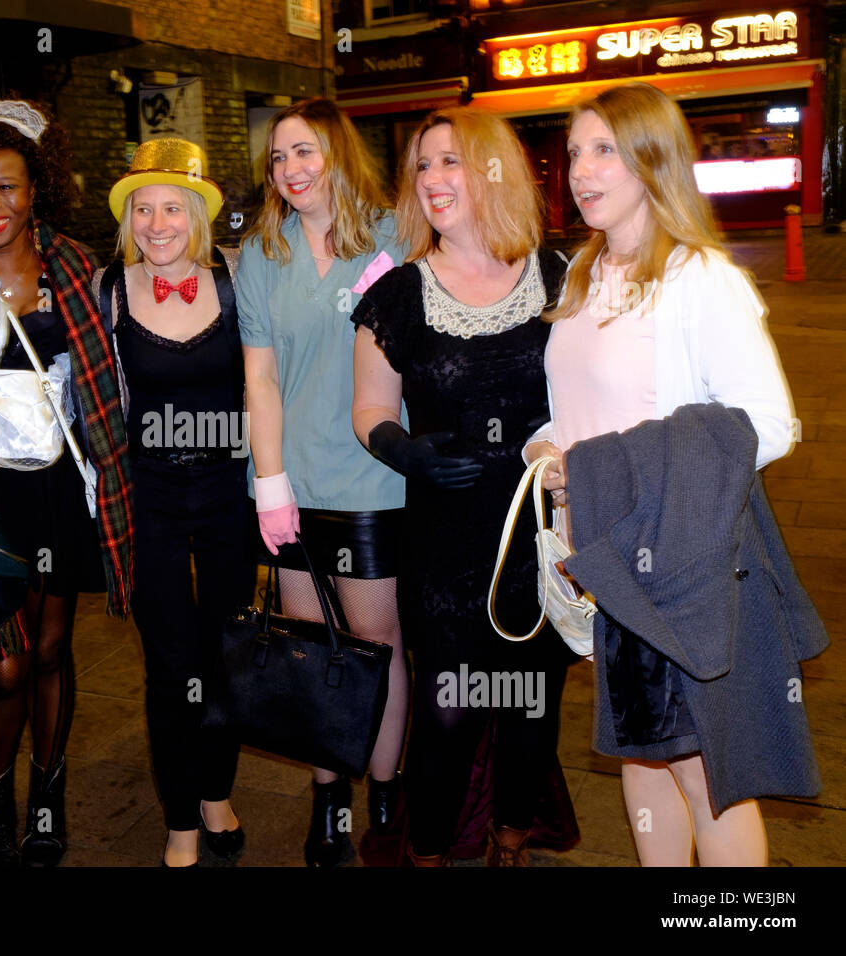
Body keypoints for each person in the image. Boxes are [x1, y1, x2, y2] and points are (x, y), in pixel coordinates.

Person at [528, 81, 806, 865]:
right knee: (643, 754)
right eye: (575, 151)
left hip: (676, 560)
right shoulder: (584, 272)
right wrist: (543, 452)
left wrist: (611, 474)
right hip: (607, 562)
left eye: (604, 150)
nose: (581, 170)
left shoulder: (699, 277)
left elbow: (771, 424)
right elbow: (582, 413)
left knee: (703, 771)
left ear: (653, 161)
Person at [350, 107, 575, 866]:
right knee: (448, 707)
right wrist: (403, 451)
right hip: (444, 541)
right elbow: (370, 409)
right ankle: (431, 851)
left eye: (450, 161)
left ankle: (513, 838)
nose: (434, 180)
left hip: (539, 532)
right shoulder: (398, 293)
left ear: (492, 169)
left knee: (532, 704)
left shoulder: (558, 275)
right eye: (422, 166)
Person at [0, 99, 133, 868]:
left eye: (7, 187)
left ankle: (46, 797)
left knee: (48, 649)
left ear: (36, 188)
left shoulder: (75, 265)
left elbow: (111, 376)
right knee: (1, 659)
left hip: (63, 487)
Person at [238, 97, 409, 867]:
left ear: (338, 153)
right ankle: (330, 801)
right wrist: (270, 483)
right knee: (311, 647)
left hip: (375, 478)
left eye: (304, 152)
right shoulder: (261, 255)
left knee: (377, 642)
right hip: (292, 484)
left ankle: (387, 796)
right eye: (278, 159)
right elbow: (261, 379)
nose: (291, 170)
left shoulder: (395, 234)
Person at [93, 139, 254, 867]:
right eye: (143, 209)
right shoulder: (106, 291)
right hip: (148, 498)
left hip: (227, 497)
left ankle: (218, 790)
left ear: (197, 217)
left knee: (226, 653)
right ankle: (181, 818)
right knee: (169, 665)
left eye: (172, 208)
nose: (158, 223)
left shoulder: (242, 281)